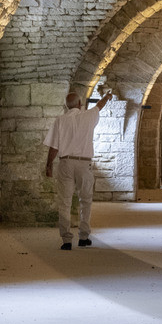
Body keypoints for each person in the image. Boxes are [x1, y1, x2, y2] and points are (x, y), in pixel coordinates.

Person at [43, 83, 118, 250]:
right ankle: (84, 237)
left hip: (66, 162)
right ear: (79, 104)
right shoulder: (88, 116)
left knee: (65, 201)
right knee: (85, 200)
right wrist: (107, 96)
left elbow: (54, 147)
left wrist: (48, 165)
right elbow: (100, 105)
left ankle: (66, 240)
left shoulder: (60, 120)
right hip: (84, 163)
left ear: (66, 106)